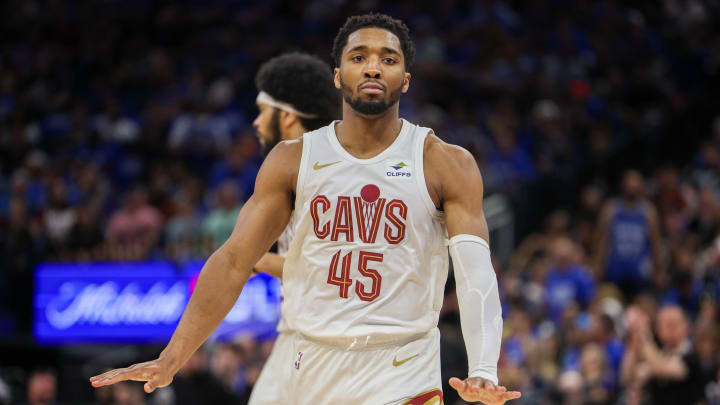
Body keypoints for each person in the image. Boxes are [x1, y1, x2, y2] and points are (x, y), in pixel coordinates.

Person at [90, 13, 521, 405]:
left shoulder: (446, 162)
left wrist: (483, 368)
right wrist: (173, 356)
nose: (373, 67)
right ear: (338, 75)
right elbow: (235, 261)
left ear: (405, 79)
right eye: (359, 57)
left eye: (388, 59)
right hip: (309, 368)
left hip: (403, 371)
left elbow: (475, 274)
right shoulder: (293, 159)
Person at [246, 52, 340, 405]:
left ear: (286, 116)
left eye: (262, 111)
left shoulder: (322, 179)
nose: (256, 122)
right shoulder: (287, 171)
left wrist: (253, 261)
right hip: (297, 337)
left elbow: (325, 270)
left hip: (330, 344)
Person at [594, 170, 662, 299]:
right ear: (623, 185)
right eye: (629, 182)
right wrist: (598, 265)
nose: (632, 185)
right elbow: (602, 240)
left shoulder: (648, 211)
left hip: (639, 272)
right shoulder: (611, 209)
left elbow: (655, 243)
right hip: (615, 270)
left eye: (635, 182)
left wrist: (658, 270)